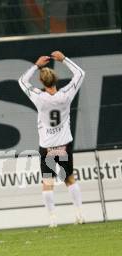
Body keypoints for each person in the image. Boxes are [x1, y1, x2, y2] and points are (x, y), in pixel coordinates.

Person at [18, 50, 85, 227]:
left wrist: (36, 65)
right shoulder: (66, 95)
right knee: (69, 178)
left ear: (41, 81)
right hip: (64, 144)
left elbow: (22, 81)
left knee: (47, 183)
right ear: (55, 80)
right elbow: (80, 74)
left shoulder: (39, 98)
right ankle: (79, 214)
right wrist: (64, 60)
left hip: (47, 146)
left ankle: (53, 219)